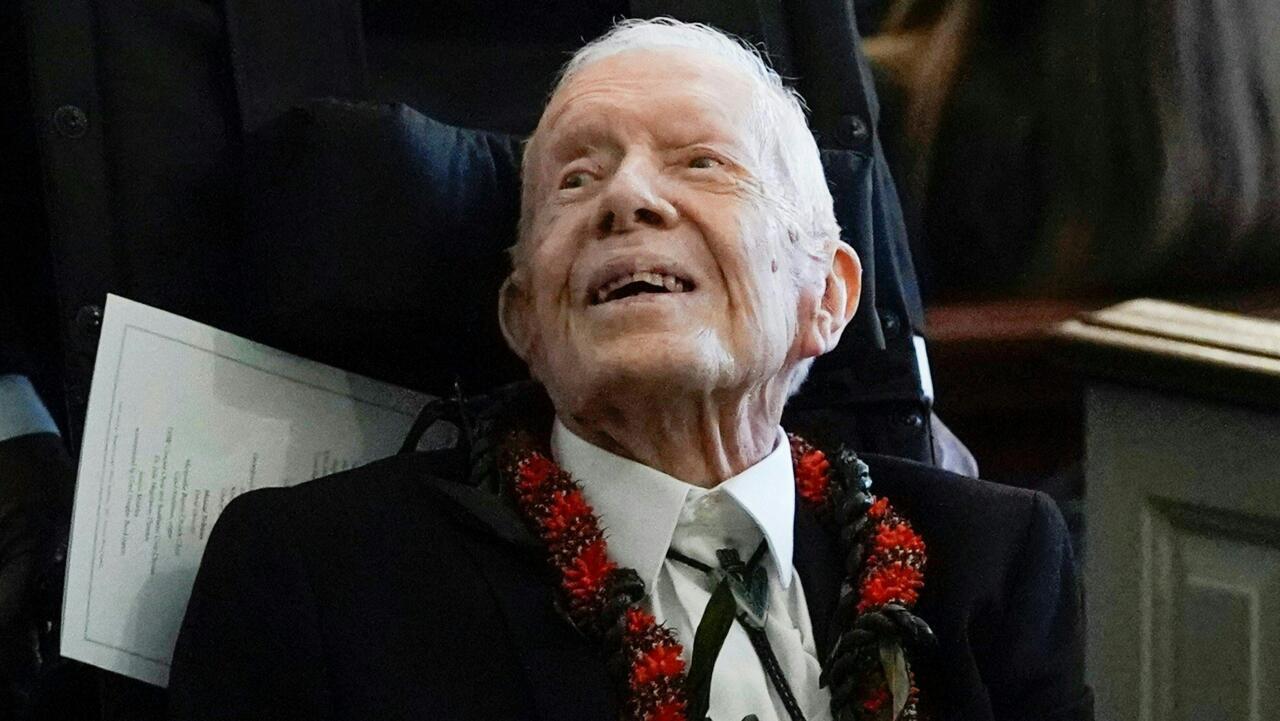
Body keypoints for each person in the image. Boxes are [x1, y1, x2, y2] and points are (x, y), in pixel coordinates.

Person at [168, 19, 1090, 721]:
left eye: (702, 163)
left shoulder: (993, 563)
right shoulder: (324, 580)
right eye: (575, 179)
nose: (628, 199)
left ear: (828, 296)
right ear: (524, 316)